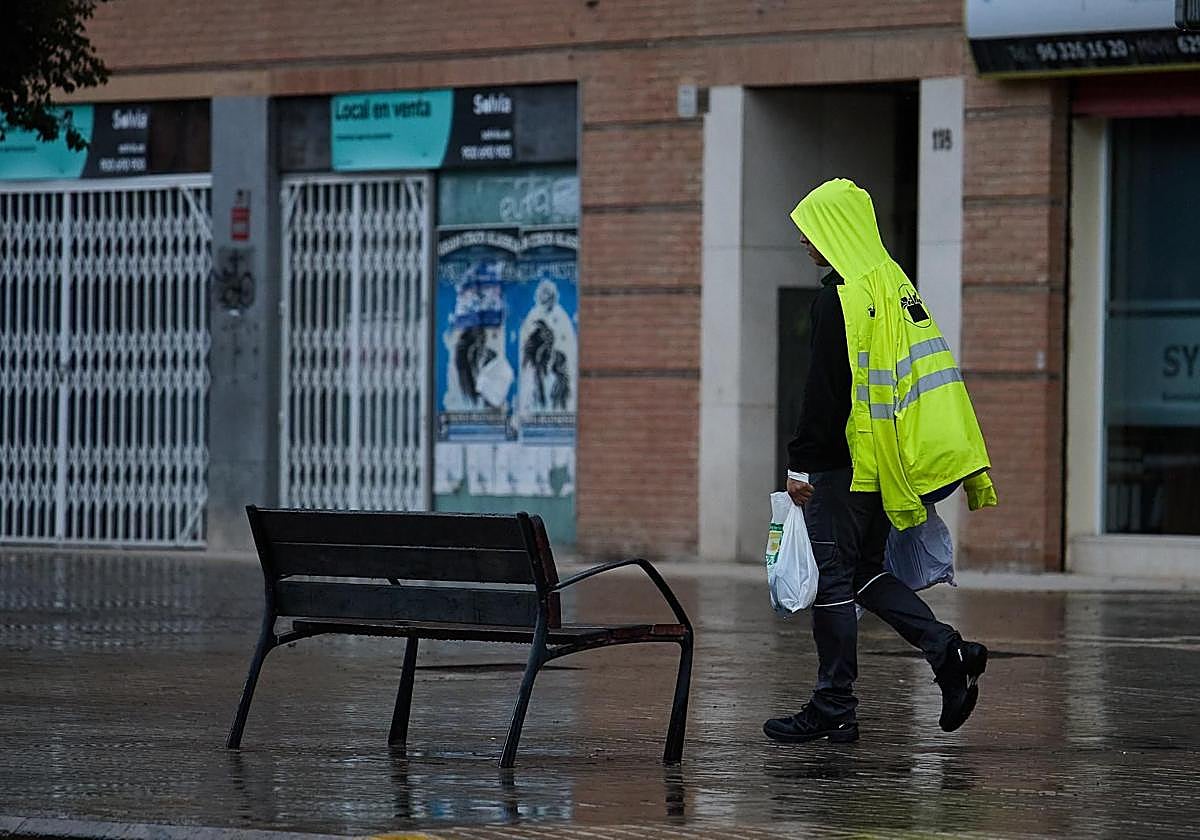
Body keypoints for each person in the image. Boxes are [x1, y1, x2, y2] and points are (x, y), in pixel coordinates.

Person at [764, 179, 995, 745]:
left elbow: (823, 395)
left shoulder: (836, 297)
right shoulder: (894, 285)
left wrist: (800, 466)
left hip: (842, 467)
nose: (805, 242)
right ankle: (949, 653)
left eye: (811, 230)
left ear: (834, 230)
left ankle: (833, 704)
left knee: (835, 579)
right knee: (865, 572)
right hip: (883, 464)